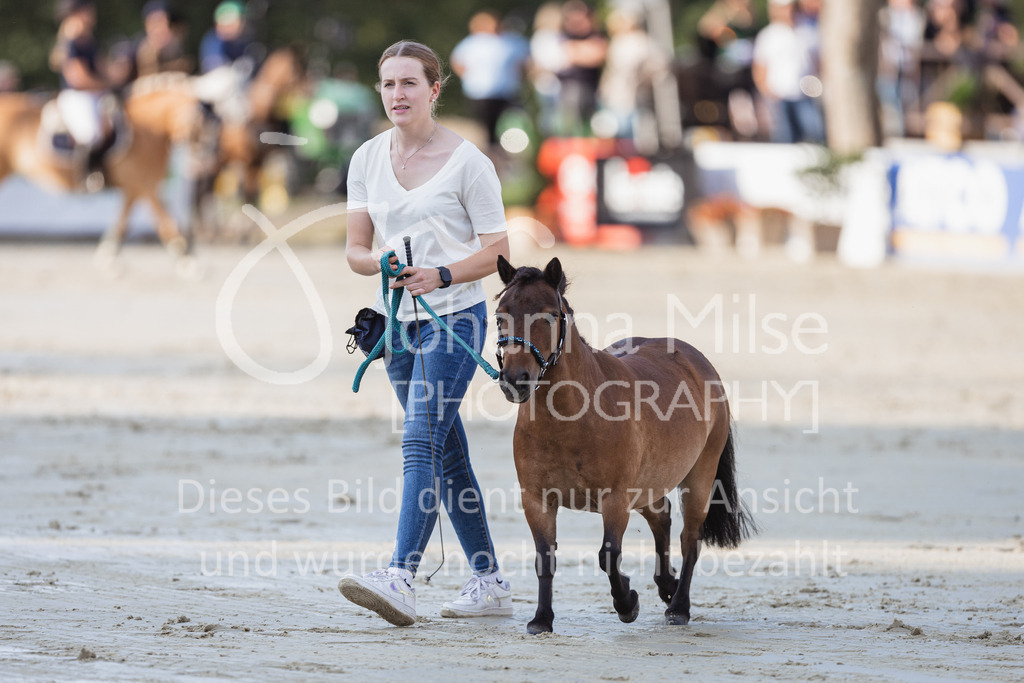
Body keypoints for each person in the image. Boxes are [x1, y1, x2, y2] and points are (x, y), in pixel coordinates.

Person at [338, 40, 512, 627]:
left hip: (456, 319)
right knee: (448, 453)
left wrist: (441, 274)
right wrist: (381, 262)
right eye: (388, 84)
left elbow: (498, 254)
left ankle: (400, 576)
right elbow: (355, 252)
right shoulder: (365, 158)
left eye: (409, 83)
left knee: (418, 441)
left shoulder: (469, 162)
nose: (397, 95)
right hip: (396, 326)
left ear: (434, 90)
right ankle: (489, 580)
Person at [51, 0, 113, 187]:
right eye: (88, 10)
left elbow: (104, 69)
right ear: (78, 13)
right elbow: (78, 79)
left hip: (96, 94)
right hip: (77, 97)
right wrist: (106, 84)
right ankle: (87, 177)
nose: (92, 14)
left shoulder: (89, 40)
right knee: (91, 133)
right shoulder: (71, 42)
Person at [451, 10, 530, 149]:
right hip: (480, 92)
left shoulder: (510, 41)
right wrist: (469, 77)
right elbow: (457, 61)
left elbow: (525, 61)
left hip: (506, 92)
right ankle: (488, 152)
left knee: (508, 126)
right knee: (484, 129)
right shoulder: (472, 43)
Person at [752, 0, 826, 144]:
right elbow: (760, 69)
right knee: (784, 138)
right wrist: (769, 93)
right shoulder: (768, 35)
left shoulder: (807, 31)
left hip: (804, 95)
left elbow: (817, 62)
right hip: (779, 97)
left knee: (815, 135)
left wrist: (816, 88)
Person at [134, 1, 192, 78]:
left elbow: (187, 66)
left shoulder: (175, 43)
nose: (158, 29)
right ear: (146, 27)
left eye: (161, 22)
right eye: (154, 24)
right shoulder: (145, 50)